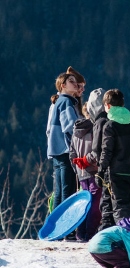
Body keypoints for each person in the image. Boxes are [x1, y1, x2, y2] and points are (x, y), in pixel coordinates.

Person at [97, 89, 130, 223]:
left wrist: (100, 171)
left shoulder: (110, 125)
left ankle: (125, 239)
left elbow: (107, 151)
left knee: (120, 207)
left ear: (108, 106)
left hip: (117, 173)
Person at [69, 92, 104, 241]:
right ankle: (91, 234)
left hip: (82, 173)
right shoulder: (96, 128)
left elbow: (72, 152)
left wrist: (77, 168)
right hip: (94, 171)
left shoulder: (76, 130)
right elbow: (97, 151)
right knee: (95, 206)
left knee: (84, 204)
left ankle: (80, 233)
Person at [82, 88, 115, 231]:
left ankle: (103, 235)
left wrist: (94, 164)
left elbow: (97, 150)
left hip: (106, 168)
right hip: (121, 167)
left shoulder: (99, 122)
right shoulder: (113, 119)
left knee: (105, 203)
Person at [46, 72, 80, 209]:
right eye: (71, 81)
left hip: (56, 151)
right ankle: (67, 227)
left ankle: (55, 226)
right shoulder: (66, 101)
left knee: (59, 193)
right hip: (66, 151)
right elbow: (71, 127)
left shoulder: (58, 102)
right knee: (68, 191)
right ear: (63, 85)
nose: (75, 83)